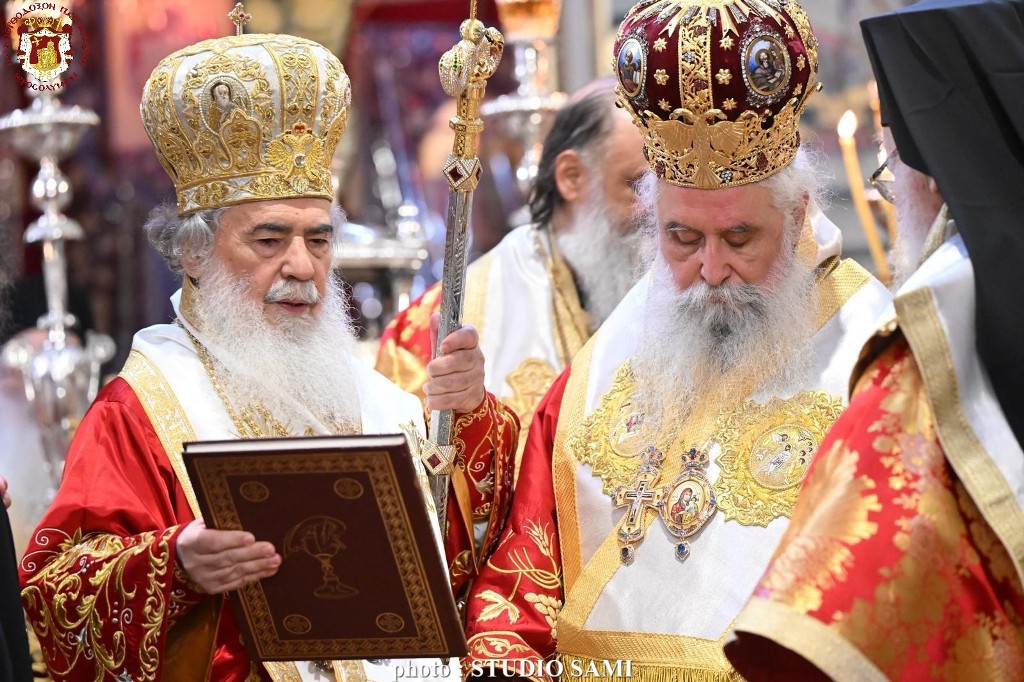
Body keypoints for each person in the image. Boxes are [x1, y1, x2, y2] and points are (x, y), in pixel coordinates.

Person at [18, 29, 517, 682]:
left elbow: (460, 560)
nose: (303, 267)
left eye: (318, 238)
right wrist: (176, 566)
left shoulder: (366, 394)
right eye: (269, 239)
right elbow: (53, 601)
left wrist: (470, 417)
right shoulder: (140, 411)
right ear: (194, 254)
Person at [460, 1, 893, 677]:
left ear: (800, 211)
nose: (710, 271)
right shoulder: (604, 364)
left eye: (740, 239)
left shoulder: (873, 359)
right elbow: (522, 585)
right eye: (681, 238)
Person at [725, 0, 1024, 678]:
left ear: (935, 176)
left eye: (889, 170)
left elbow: (830, 622)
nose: (889, 198)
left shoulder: (927, 361)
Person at [377, 80, 647, 512]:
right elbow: (416, 502)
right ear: (572, 177)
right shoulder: (438, 324)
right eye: (637, 185)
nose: (657, 213)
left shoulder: (690, 293)